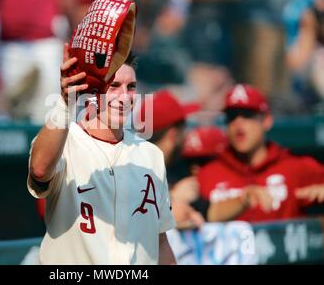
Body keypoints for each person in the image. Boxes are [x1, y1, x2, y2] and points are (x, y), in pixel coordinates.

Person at [27, 46, 176, 264]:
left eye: (131, 87)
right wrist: (65, 102)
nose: (125, 97)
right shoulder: (65, 141)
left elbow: (160, 240)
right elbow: (40, 169)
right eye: (114, 86)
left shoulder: (151, 155)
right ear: (94, 91)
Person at [198, 84, 324, 223]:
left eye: (247, 115)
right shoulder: (208, 174)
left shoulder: (297, 168)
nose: (238, 123)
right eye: (232, 116)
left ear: (266, 120)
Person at [136, 89, 203, 229]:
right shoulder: (137, 174)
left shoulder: (177, 169)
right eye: (184, 128)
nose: (186, 134)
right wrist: (174, 200)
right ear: (173, 134)